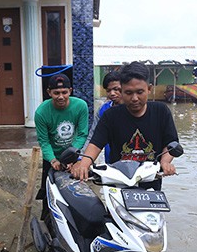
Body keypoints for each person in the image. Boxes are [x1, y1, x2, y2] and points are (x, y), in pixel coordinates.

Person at [71, 61, 178, 190]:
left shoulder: (161, 111)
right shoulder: (110, 116)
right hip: (117, 184)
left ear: (149, 89)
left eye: (140, 92)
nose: (134, 98)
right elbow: (95, 144)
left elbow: (171, 143)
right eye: (128, 93)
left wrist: (165, 162)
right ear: (121, 91)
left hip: (151, 184)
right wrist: (83, 164)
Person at [34, 73, 89, 217]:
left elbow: (82, 134)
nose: (60, 97)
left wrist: (72, 156)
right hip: (53, 157)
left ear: (70, 91)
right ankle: (47, 221)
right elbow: (44, 141)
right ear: (49, 93)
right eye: (56, 93)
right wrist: (53, 160)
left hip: (74, 155)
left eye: (64, 92)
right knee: (48, 193)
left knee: (76, 193)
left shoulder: (81, 106)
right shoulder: (41, 112)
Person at [87, 71, 122, 163]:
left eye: (116, 89)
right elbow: (93, 135)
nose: (112, 93)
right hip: (111, 163)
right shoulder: (104, 109)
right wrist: (82, 159)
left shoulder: (134, 109)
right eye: (108, 90)